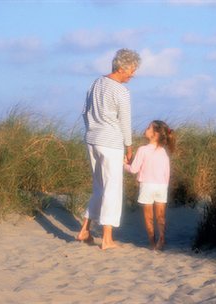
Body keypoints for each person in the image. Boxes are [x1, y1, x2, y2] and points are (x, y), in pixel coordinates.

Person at [76, 49, 141, 250]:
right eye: (132, 70)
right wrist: (129, 147)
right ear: (121, 68)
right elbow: (125, 121)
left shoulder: (96, 83)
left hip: (92, 139)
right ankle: (107, 238)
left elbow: (85, 112)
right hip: (111, 142)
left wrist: (92, 130)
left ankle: (85, 230)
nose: (133, 74)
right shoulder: (121, 91)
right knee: (112, 189)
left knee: (99, 187)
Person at [124, 120, 176, 251]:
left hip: (147, 186)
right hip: (162, 186)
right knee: (161, 216)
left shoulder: (143, 150)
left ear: (155, 134)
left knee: (148, 217)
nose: (146, 129)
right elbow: (167, 173)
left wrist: (123, 164)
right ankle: (162, 237)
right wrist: (165, 186)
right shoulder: (164, 152)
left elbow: (134, 169)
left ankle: (153, 243)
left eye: (148, 128)